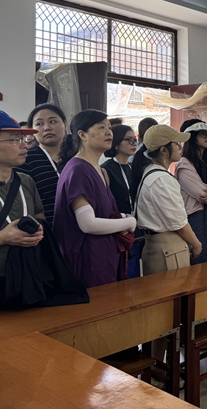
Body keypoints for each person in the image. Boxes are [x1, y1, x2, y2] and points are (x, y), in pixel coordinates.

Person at [0, 110, 88, 312]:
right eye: (14, 140)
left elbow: (40, 221)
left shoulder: (25, 181)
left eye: (23, 139)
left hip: (27, 282)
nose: (24, 144)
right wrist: (3, 237)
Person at [53, 110, 137, 288]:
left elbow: (103, 212)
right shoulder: (78, 169)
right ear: (82, 134)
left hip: (104, 256)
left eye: (109, 127)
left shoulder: (99, 169)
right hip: (88, 260)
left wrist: (122, 217)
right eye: (101, 127)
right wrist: (129, 222)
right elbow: (88, 224)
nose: (108, 132)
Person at [131, 124, 202, 274]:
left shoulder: (151, 172)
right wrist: (196, 244)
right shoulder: (161, 179)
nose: (180, 147)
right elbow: (178, 222)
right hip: (168, 248)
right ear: (163, 150)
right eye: (176, 144)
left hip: (162, 246)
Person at [175, 121, 207, 264]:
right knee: (202, 261)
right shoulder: (184, 164)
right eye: (203, 134)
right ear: (193, 137)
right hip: (197, 216)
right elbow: (201, 194)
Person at [15, 104, 67, 227]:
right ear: (32, 131)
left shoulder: (76, 156)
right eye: (39, 124)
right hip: (48, 231)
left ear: (65, 125)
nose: (47, 128)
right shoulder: (25, 159)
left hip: (84, 229)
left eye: (53, 121)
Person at [101, 124, 141, 277]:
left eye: (135, 140)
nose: (133, 143)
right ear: (116, 143)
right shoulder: (106, 169)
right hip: (117, 232)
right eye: (128, 140)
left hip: (136, 229)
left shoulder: (133, 167)